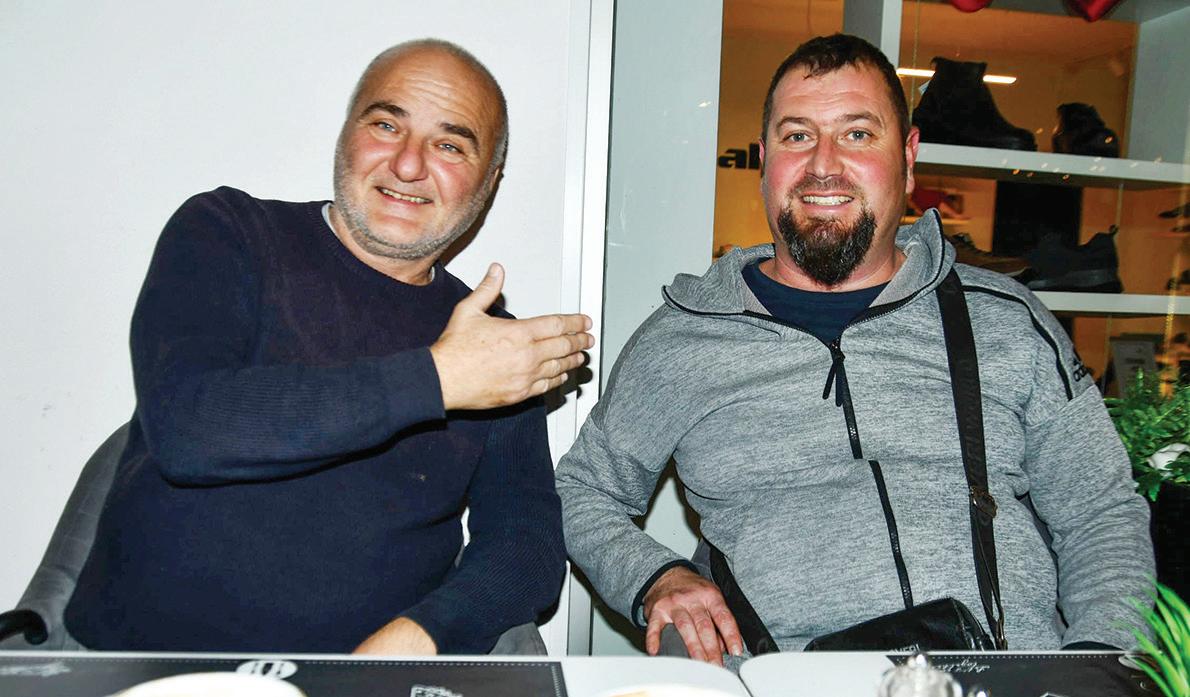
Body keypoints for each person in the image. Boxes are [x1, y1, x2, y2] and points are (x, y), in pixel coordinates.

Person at [555, 34, 1152, 665]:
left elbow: (1100, 511)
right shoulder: (683, 339)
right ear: (765, 159)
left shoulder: (1005, 320)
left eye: (858, 134)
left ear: (908, 157)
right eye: (797, 135)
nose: (823, 164)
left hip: (1004, 677)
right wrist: (655, 578)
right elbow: (583, 489)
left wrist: (1101, 662)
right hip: (783, 681)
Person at [63, 39, 592, 656]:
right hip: (144, 665)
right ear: (346, 136)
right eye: (386, 125)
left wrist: (422, 636)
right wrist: (438, 379)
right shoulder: (230, 231)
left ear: (489, 183)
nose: (408, 164)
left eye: (450, 145)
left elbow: (526, 546)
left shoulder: (493, 342)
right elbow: (188, 427)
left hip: (362, 679)